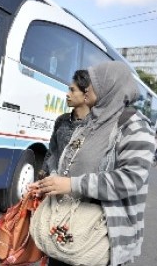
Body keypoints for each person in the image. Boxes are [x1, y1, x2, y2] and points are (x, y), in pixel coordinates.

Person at [29, 61, 155, 266]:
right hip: (66, 225)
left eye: (94, 83)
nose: (87, 87)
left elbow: (130, 179)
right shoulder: (91, 122)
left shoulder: (135, 127)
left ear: (110, 86)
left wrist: (72, 184)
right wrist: (51, 183)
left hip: (99, 237)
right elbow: (69, 164)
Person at [39, 70, 92, 178]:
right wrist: (43, 171)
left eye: (73, 90)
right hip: (54, 184)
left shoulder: (94, 126)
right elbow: (52, 151)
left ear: (86, 95)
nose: (68, 94)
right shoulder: (61, 120)